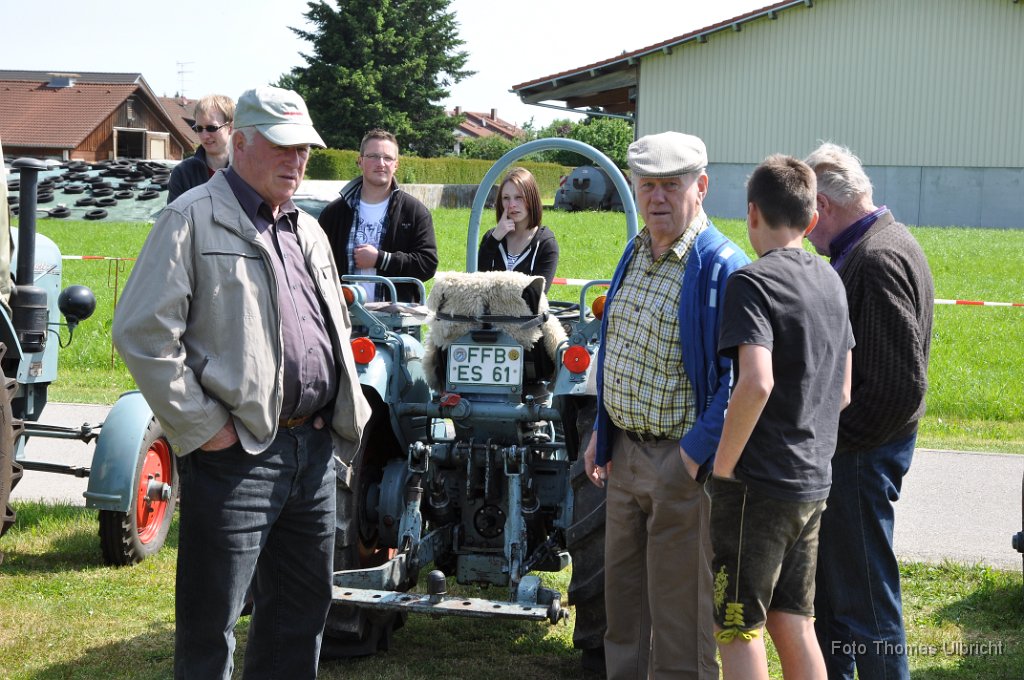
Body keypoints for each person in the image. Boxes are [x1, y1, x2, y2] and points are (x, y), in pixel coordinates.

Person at [112, 86, 371, 679]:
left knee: (299, 617)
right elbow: (142, 333)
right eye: (283, 146)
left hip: (311, 453)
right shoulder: (192, 217)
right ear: (243, 141)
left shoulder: (306, 229)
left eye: (304, 148)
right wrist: (207, 430)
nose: (297, 160)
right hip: (236, 459)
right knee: (212, 626)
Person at [583, 131, 750, 679]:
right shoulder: (635, 251)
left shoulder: (722, 267)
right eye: (647, 185)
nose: (657, 198)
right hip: (625, 459)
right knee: (623, 617)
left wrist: (692, 459)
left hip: (682, 465)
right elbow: (620, 351)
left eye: (670, 186)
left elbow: (740, 380)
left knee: (681, 625)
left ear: (700, 187)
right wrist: (601, 435)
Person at [710, 154, 854, 680]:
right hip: (813, 481)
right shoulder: (832, 280)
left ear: (752, 213)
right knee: (793, 620)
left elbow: (756, 381)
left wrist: (723, 469)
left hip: (757, 485)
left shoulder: (751, 283)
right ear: (812, 218)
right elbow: (842, 389)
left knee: (736, 625)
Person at [804, 142, 934, 680]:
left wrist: (834, 441)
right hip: (856, 454)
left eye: (808, 219)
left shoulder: (876, 257)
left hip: (860, 458)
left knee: (866, 607)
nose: (806, 232)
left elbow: (901, 387)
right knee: (837, 602)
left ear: (826, 208)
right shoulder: (882, 243)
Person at [318, 128, 437, 303]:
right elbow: (317, 264)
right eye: (373, 156)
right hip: (344, 319)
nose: (380, 163)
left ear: (396, 165)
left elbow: (427, 264)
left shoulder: (415, 212)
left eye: (388, 158)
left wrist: (380, 259)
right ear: (360, 161)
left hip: (394, 320)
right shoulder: (333, 213)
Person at [477, 167, 559, 291]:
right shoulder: (491, 237)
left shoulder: (546, 243)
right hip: (490, 311)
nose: (512, 205)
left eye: (519, 197)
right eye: (506, 198)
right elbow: (478, 284)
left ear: (532, 198)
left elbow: (537, 295)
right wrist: (494, 239)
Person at [167, 93, 234, 203]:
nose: (204, 135)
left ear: (230, 128)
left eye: (211, 128)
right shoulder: (183, 173)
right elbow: (175, 218)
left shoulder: (246, 172)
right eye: (199, 128)